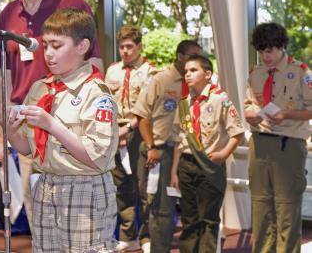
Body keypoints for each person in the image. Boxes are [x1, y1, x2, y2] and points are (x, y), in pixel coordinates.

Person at [0, 0, 103, 230]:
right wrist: (3, 138)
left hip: (71, 128)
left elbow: (96, 67)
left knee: (78, 222)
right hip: (28, 131)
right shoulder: (7, 16)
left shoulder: (73, 7)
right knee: (39, 217)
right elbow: (6, 80)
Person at [5, 7, 118, 252]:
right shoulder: (40, 89)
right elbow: (28, 148)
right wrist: (10, 130)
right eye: (45, 45)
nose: (48, 54)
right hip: (46, 185)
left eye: (57, 46)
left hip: (84, 187)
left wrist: (52, 125)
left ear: (82, 46)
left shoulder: (96, 93)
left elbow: (96, 157)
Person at [244, 22, 312, 253]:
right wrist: (250, 114)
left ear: (282, 46)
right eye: (262, 51)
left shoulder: (301, 71)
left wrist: (287, 114)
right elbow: (249, 103)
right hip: (259, 143)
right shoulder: (256, 72)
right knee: (261, 206)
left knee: (287, 208)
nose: (266, 56)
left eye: (271, 50)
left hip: (289, 145)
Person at [131, 40, 202, 253]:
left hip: (188, 152)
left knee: (192, 207)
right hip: (162, 151)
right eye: (192, 56)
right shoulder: (160, 80)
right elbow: (142, 115)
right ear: (180, 56)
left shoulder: (197, 83)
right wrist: (151, 146)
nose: (196, 60)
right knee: (161, 209)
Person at [170, 54, 244, 252]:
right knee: (189, 218)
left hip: (210, 165)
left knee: (208, 219)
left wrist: (223, 154)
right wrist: (174, 171)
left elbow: (237, 132)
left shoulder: (221, 98)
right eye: (185, 71)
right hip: (186, 164)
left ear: (208, 74)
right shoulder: (184, 102)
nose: (188, 75)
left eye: (193, 70)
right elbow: (179, 139)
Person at [104, 25, 156, 251]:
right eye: (122, 47)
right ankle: (128, 235)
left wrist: (130, 128)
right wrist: (115, 130)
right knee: (121, 186)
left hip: (139, 132)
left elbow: (149, 107)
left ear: (139, 46)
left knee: (143, 188)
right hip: (116, 130)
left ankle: (147, 237)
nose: (125, 51)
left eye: (129, 47)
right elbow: (106, 101)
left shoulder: (150, 72)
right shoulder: (112, 71)